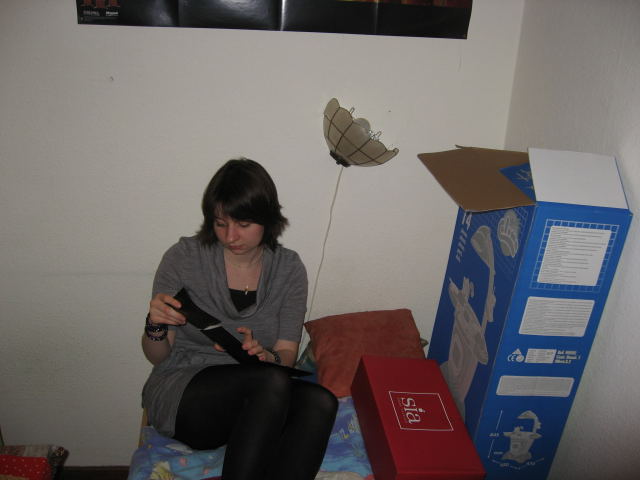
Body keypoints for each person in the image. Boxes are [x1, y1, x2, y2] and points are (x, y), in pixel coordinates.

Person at [141, 158, 338, 480]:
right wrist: (155, 324)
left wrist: (268, 357)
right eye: (220, 224)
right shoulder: (184, 258)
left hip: (259, 400)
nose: (230, 236)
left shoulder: (288, 269)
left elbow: (286, 354)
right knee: (270, 381)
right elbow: (157, 356)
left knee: (321, 400)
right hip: (186, 392)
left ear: (267, 219)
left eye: (243, 224)